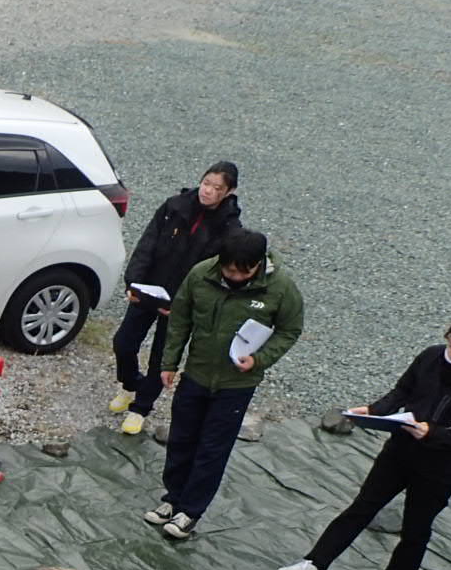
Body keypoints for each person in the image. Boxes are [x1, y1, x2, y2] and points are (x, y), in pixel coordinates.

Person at [279, 311, 451, 570]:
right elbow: (402, 391)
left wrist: (434, 433)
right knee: (362, 507)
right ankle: (315, 564)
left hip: (440, 470)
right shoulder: (431, 356)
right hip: (399, 451)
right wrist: (374, 411)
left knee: (415, 529)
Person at [143, 229, 304, 540]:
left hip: (236, 384)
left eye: (243, 271)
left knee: (212, 448)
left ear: (258, 264)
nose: (235, 276)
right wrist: (169, 363)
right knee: (181, 439)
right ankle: (172, 499)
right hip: (196, 374)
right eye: (230, 269)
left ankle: (190, 510)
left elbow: (290, 329)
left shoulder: (281, 288)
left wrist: (259, 359)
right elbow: (180, 318)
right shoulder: (201, 274)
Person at [108, 162, 242, 435]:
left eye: (217, 188)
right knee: (124, 343)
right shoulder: (174, 206)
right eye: (206, 183)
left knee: (162, 357)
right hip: (149, 291)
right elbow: (147, 245)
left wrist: (186, 305)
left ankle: (141, 408)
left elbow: (217, 277)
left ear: (229, 192)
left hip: (181, 305)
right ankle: (131, 384)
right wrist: (133, 283)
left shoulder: (230, 230)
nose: (208, 191)